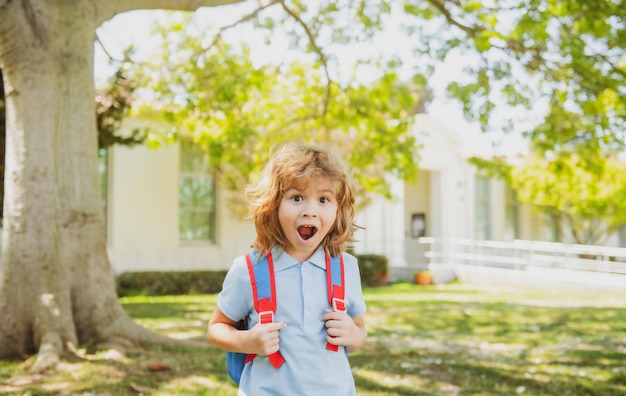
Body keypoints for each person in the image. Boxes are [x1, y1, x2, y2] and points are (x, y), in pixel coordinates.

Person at [208, 142, 367, 395]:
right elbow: (217, 328)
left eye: (323, 199)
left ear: (338, 210)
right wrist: (247, 340)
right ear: (274, 205)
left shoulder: (347, 268)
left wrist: (353, 335)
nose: (310, 212)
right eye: (296, 198)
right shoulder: (248, 270)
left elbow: (359, 328)